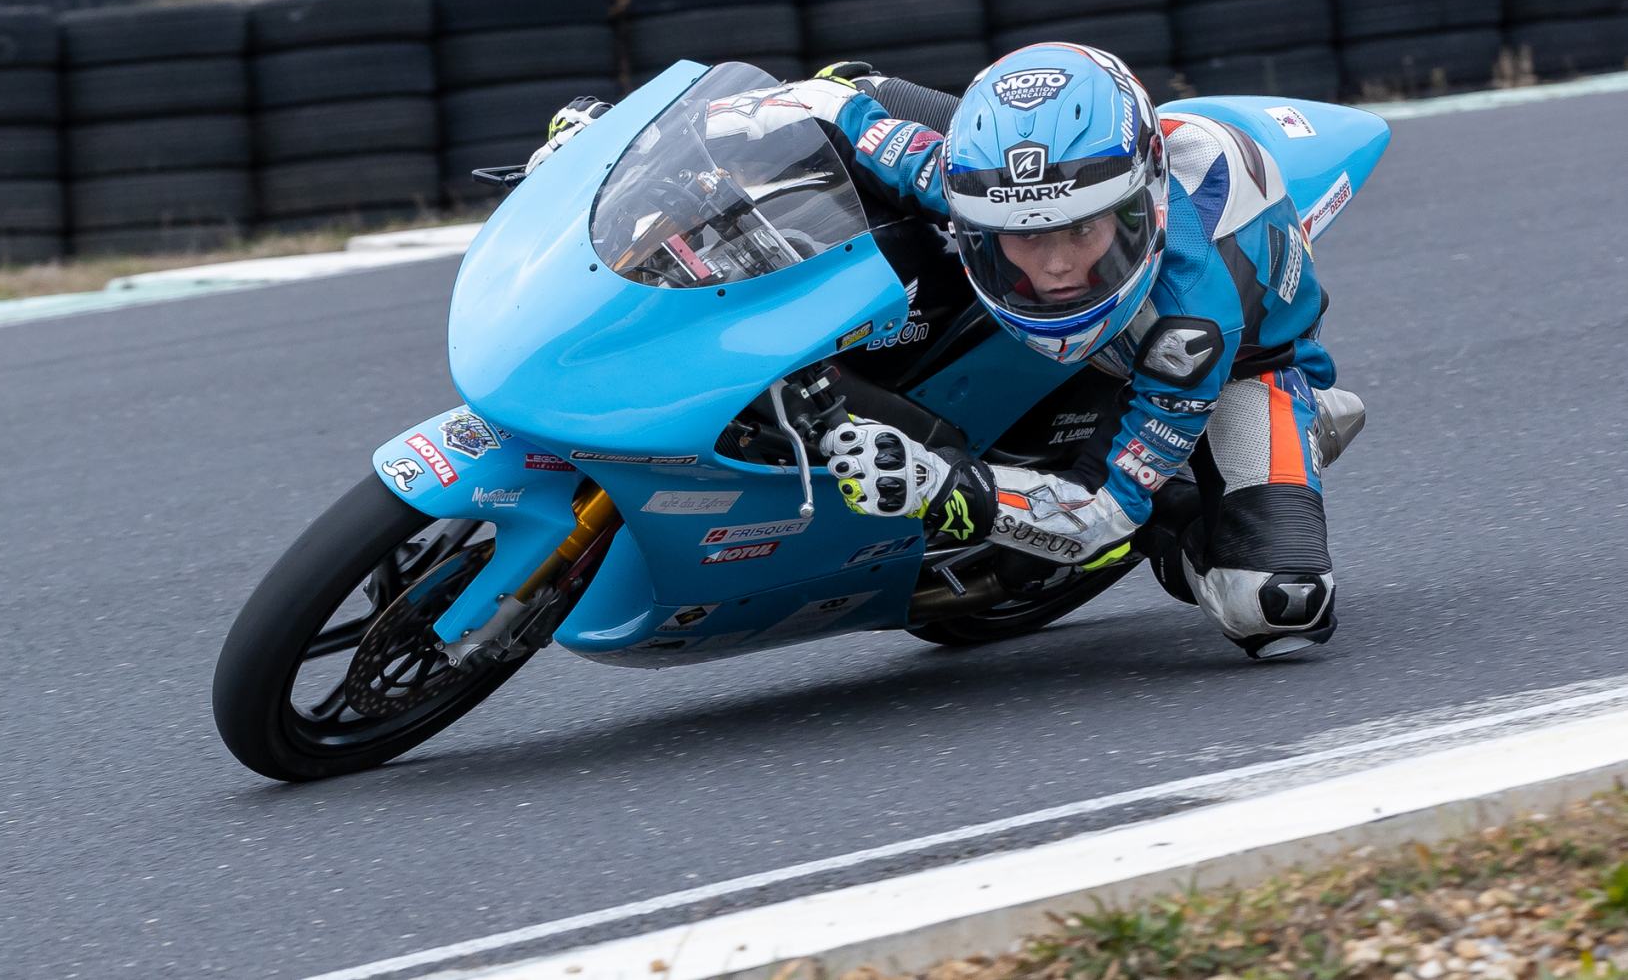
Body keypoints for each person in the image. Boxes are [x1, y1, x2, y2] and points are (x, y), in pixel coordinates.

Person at [527, 44, 1365, 660]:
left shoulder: (1192, 325)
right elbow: (821, 110)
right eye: (1023, 238)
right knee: (853, 86)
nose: (1055, 267)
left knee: (1273, 602)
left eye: (1079, 233)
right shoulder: (965, 181)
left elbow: (1102, 511)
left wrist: (947, 487)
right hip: (1042, 170)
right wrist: (620, 154)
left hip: (1242, 365)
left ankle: (1228, 477)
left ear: (1135, 211)